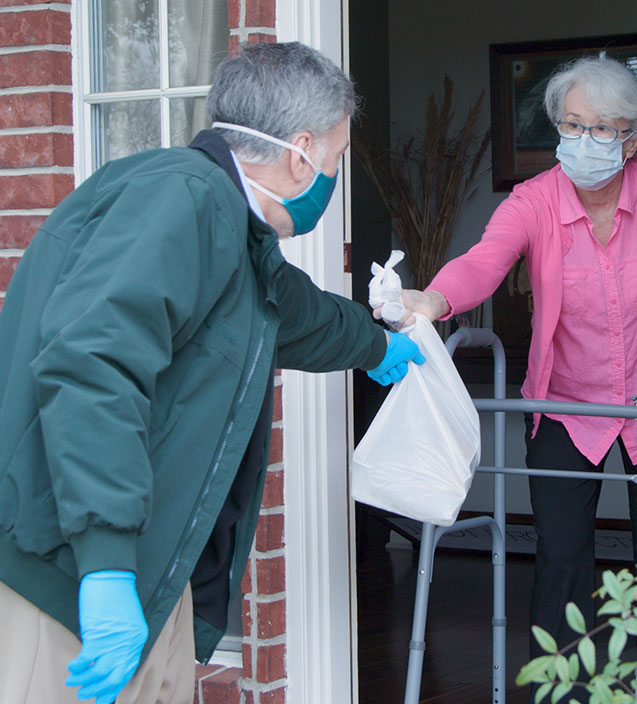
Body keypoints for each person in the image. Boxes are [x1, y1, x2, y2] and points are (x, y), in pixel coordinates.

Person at [0, 41, 424, 704]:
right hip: (70, 574)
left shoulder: (231, 225)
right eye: (336, 160)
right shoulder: (183, 198)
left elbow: (293, 311)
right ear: (300, 152)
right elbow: (92, 363)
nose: (333, 176)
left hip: (142, 564)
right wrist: (106, 566)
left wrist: (377, 345)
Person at [383, 56, 637, 702]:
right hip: (567, 405)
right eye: (571, 126)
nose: (583, 142)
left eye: (600, 129)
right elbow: (485, 262)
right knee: (563, 560)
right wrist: (431, 300)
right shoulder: (536, 200)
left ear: (632, 137)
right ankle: (562, 692)